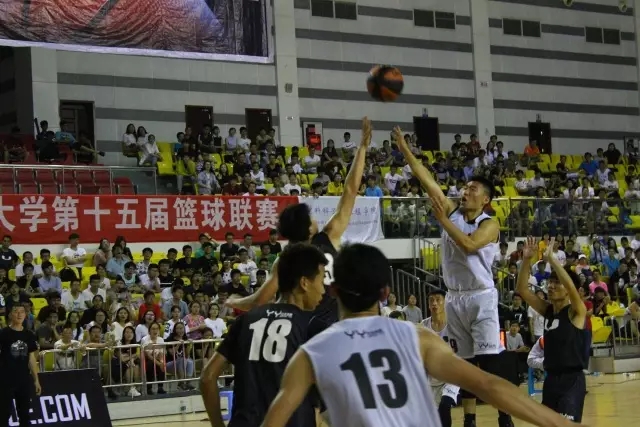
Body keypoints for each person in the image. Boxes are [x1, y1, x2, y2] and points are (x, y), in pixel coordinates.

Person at [260, 244, 585, 427]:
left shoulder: (311, 354)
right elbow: (489, 385)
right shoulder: (416, 337)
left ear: (334, 290)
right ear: (385, 292)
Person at [394, 125, 513, 427]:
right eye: (465, 187)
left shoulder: (489, 223)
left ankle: (505, 415)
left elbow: (469, 245)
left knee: (488, 361)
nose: (465, 191)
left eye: (473, 189)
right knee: (465, 363)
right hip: (455, 297)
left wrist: (443, 221)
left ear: (485, 199)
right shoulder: (452, 211)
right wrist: (405, 149)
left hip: (481, 296)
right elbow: (425, 178)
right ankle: (469, 420)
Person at [227, 117, 371, 334]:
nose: (315, 218)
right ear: (308, 228)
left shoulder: (286, 260)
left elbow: (258, 300)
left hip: (308, 335)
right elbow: (350, 191)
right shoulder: (327, 237)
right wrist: (362, 149)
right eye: (311, 216)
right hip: (338, 330)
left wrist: (234, 301)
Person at [200, 243, 328, 427]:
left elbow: (208, 377)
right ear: (304, 283)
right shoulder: (313, 327)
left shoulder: (245, 320)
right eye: (321, 281)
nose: (323, 290)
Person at [517, 237, 588, 422]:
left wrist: (553, 260)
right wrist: (526, 259)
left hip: (572, 381)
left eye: (557, 282)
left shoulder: (576, 312)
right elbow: (522, 290)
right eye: (550, 282)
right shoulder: (547, 310)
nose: (551, 286)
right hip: (551, 380)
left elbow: (571, 287)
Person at [421, 289, 460, 427]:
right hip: (431, 379)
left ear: (445, 302)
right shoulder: (423, 326)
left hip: (451, 377)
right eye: (431, 300)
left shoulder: (454, 325)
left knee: (445, 406)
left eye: (438, 300)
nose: (434, 303)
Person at [0, 303, 42, 427]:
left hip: (23, 379)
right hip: (5, 379)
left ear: (25, 315)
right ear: (10, 314)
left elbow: (31, 358)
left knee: (24, 414)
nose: (19, 314)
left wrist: (36, 380)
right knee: (3, 414)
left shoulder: (29, 335)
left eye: (22, 312)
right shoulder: (3, 333)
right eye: (16, 311)